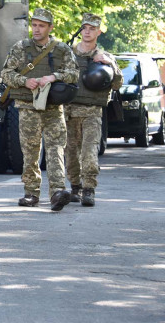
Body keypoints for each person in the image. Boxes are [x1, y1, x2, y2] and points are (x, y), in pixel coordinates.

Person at [1, 7, 79, 211]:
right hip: (28, 107)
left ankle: (57, 192)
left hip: (53, 106)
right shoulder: (21, 48)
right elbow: (6, 74)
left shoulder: (61, 49)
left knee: (55, 149)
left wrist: (54, 77)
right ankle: (31, 192)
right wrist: (25, 81)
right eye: (34, 25)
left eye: (41, 26)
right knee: (30, 150)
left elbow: (74, 74)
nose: (36, 29)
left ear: (50, 27)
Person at [63, 13, 123, 207]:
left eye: (92, 28)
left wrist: (109, 64)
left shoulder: (106, 57)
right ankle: (75, 187)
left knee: (89, 153)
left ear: (98, 32)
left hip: (92, 112)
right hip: (69, 110)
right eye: (84, 28)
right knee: (70, 153)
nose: (87, 32)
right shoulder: (67, 53)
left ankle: (89, 189)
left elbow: (117, 84)